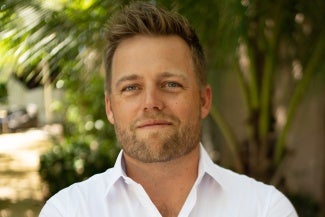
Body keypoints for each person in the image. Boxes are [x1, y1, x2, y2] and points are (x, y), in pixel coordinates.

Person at [39, 2, 298, 217]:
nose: (151, 102)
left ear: (204, 100)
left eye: (171, 84)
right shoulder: (68, 211)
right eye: (131, 87)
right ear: (110, 107)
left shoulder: (265, 209)